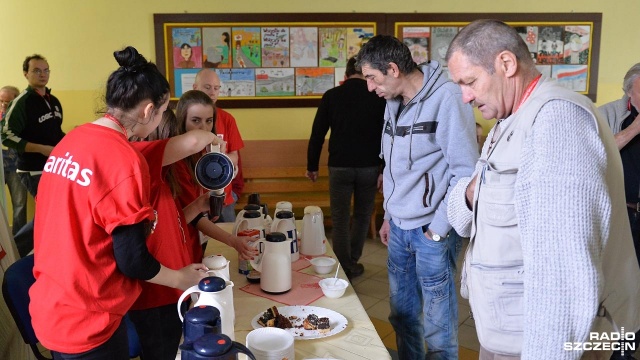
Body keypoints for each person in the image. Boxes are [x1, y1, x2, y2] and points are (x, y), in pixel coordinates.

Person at [445, 19, 640, 359]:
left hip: (539, 342)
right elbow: (461, 216)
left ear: (506, 64)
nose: (465, 97)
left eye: (470, 82)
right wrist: (469, 193)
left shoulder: (557, 121)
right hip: (508, 328)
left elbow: (565, 274)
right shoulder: (508, 121)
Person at [29, 46, 208, 360]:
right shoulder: (124, 159)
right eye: (164, 111)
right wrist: (182, 278)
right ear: (147, 110)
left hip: (52, 305)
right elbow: (133, 260)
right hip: (88, 317)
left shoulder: (71, 140)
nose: (163, 119)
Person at [357, 35, 478, 359]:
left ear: (393, 69)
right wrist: (388, 216)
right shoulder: (392, 100)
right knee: (403, 316)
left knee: (438, 327)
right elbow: (394, 167)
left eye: (372, 77)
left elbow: (465, 172)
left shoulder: (448, 97)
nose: (370, 87)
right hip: (398, 227)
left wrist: (438, 229)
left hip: (431, 231)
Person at [127, 108, 225, 360]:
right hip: (155, 295)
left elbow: (172, 222)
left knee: (175, 346)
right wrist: (214, 138)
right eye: (173, 138)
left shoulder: (163, 179)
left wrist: (198, 206)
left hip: (173, 290)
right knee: (162, 352)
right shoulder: (143, 166)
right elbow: (193, 141)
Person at [305, 56, 385, 279]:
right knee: (362, 214)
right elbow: (387, 137)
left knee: (340, 217)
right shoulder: (378, 96)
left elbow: (317, 135)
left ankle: (343, 264)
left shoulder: (332, 96)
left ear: (346, 74)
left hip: (339, 166)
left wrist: (312, 166)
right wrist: (384, 169)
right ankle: (353, 262)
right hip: (369, 166)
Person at [173, 90, 256, 262]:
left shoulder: (205, 156)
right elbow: (194, 217)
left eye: (209, 121)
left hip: (195, 241)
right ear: (182, 121)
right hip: (180, 244)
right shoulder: (178, 163)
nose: (203, 128)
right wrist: (232, 240)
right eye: (195, 121)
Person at [2, 54, 66, 257]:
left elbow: (56, 132)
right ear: (26, 74)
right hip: (32, 169)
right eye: (37, 70)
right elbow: (6, 136)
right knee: (50, 212)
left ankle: (44, 251)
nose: (42, 74)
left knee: (52, 212)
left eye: (46, 70)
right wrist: (40, 148)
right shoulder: (22, 102)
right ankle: (16, 252)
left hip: (55, 166)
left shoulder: (53, 101)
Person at [598, 63, 640, 360]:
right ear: (629, 89)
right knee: (625, 287)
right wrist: (636, 127)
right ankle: (620, 351)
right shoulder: (607, 114)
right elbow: (596, 152)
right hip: (624, 215)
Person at [193, 69, 244, 223]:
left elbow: (235, 157)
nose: (212, 92)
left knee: (228, 241)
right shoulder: (187, 118)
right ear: (195, 88)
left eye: (216, 88)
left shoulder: (227, 119)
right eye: (207, 87)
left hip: (224, 197)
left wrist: (216, 160)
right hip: (194, 196)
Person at [0, 85, 27, 237]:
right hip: (0, 168)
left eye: (8, 102)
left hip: (17, 167)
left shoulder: (22, 118)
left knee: (19, 205)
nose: (3, 105)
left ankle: (19, 241)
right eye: (1, 101)